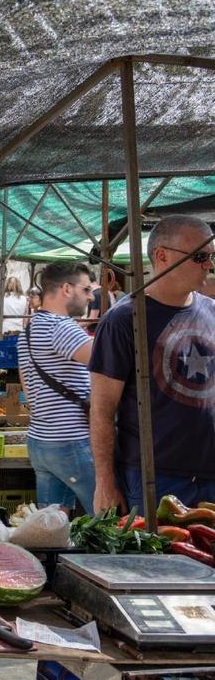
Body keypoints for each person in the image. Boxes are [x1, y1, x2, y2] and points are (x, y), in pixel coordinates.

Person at [90, 214, 215, 512]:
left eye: (211, 257)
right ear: (162, 256)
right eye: (200, 257)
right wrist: (104, 482)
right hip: (154, 479)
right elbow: (102, 410)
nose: (209, 265)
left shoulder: (211, 311)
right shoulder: (123, 320)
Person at [17, 262, 98, 514]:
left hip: (40, 440)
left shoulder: (28, 331)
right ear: (66, 288)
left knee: (52, 526)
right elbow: (110, 362)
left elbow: (27, 389)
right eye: (86, 289)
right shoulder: (60, 327)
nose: (90, 296)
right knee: (110, 516)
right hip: (70, 440)